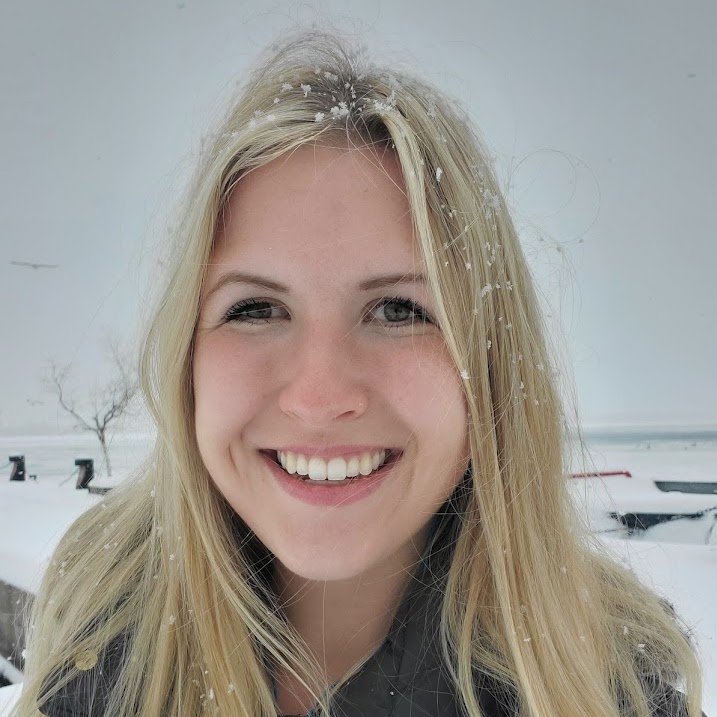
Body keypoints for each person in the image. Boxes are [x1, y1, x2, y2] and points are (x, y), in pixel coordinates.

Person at [7, 27, 705, 717]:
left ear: (488, 362)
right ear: (187, 355)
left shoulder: (606, 688)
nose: (318, 395)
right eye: (254, 307)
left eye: (398, 309)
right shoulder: (99, 628)